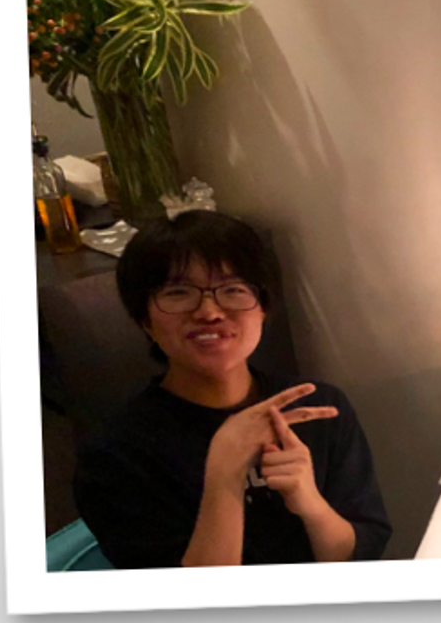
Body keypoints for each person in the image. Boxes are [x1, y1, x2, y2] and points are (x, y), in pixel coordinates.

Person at [73, 210, 391, 568]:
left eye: (233, 290)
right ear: (145, 319)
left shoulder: (319, 407)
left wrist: (311, 503)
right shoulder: (114, 456)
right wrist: (224, 478)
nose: (209, 312)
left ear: (263, 309)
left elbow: (355, 563)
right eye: (179, 292)